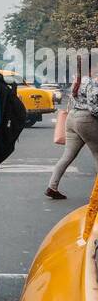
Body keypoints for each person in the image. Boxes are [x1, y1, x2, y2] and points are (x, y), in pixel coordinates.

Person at [46, 56, 98, 199]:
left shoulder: (77, 79)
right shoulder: (92, 83)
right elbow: (94, 108)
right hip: (85, 120)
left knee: (67, 156)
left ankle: (52, 186)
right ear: (92, 67)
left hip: (71, 118)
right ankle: (96, 194)